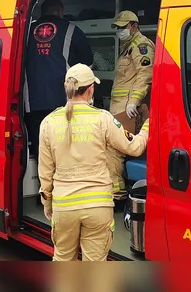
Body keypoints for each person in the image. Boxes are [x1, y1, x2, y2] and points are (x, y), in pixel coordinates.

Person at [38, 64, 150, 261]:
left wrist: (47, 203)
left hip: (64, 207)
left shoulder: (48, 122)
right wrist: (148, 124)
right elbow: (135, 147)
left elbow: (45, 173)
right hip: (97, 207)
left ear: (66, 88)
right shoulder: (103, 119)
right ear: (91, 89)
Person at [23, 0, 93, 158]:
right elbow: (87, 65)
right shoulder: (71, 29)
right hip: (64, 101)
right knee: (64, 148)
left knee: (41, 149)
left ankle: (42, 181)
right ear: (60, 11)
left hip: (32, 103)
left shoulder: (27, 31)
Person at [108, 10, 155, 207]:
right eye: (117, 28)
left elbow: (145, 75)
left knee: (114, 149)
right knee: (114, 149)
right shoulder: (128, 46)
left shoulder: (141, 46)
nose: (119, 31)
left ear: (134, 26)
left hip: (127, 109)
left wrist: (133, 102)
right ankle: (119, 191)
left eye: (122, 27)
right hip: (120, 107)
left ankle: (117, 196)